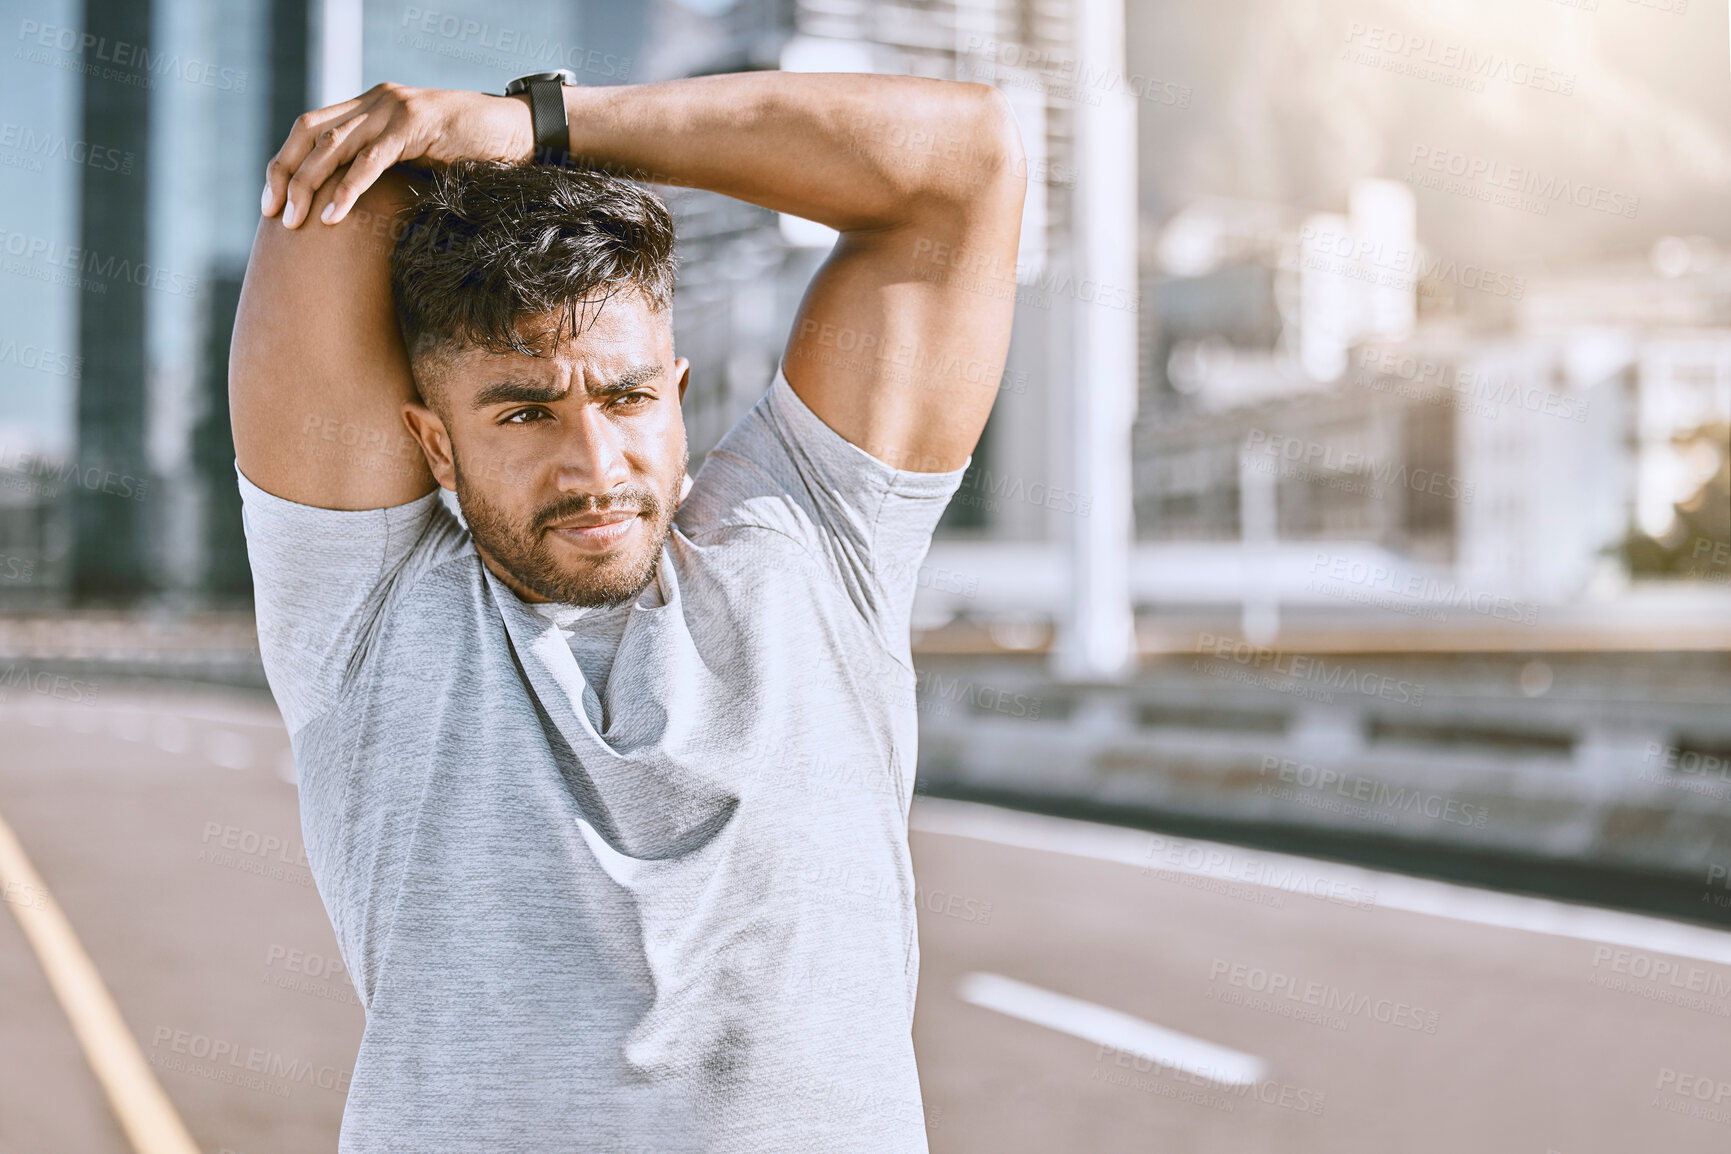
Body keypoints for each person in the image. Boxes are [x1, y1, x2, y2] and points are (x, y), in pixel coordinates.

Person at [230, 70, 1024, 1153]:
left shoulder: (817, 543)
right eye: (525, 410)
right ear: (433, 442)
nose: (595, 464)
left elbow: (965, 160)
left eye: (626, 396)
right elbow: (348, 191)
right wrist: (493, 157)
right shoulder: (370, 605)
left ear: (678, 393)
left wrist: (544, 126)